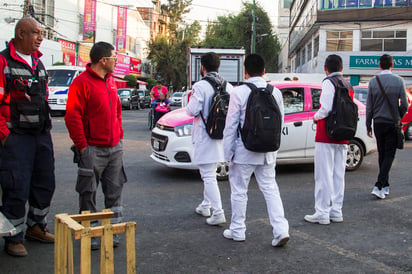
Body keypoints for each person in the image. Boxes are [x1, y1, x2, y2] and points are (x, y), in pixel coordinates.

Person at [0, 17, 55, 257]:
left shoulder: (38, 63)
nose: (40, 38)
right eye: (35, 33)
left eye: (41, 33)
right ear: (20, 34)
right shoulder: (3, 61)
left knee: (45, 182)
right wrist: (4, 135)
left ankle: (36, 226)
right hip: (16, 137)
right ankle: (12, 237)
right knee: (16, 186)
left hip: (40, 135)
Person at [65, 41, 127, 249]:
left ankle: (113, 233)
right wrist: (82, 146)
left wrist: (119, 134)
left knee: (114, 190)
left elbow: (117, 109)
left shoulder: (111, 81)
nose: (116, 61)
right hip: (92, 149)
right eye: (114, 58)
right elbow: (72, 116)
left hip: (114, 148)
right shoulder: (81, 83)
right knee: (88, 193)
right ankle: (89, 234)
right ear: (103, 60)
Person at [222, 54, 289, 247]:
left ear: (245, 70)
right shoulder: (275, 92)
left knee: (239, 191)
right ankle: (281, 229)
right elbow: (280, 121)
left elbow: (231, 125)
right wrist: (274, 150)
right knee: (270, 189)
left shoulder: (239, 92)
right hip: (268, 150)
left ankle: (237, 230)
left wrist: (227, 155)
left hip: (244, 150)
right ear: (264, 71)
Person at [304, 54, 352, 225]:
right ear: (341, 68)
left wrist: (316, 117)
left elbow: (325, 108)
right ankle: (336, 211)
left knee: (323, 174)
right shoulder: (347, 84)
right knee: (339, 174)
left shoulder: (328, 83)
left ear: (326, 68)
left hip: (327, 134)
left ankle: (322, 212)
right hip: (344, 134)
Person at [186, 52, 232, 226]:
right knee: (209, 172)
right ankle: (206, 205)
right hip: (221, 135)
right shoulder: (228, 86)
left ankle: (218, 212)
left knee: (207, 175)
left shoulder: (200, 86)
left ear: (202, 67)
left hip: (205, 135)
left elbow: (191, 110)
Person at [366, 54, 408, 199]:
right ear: (392, 65)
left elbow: (369, 106)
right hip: (392, 122)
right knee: (389, 154)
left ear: (379, 65)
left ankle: (385, 186)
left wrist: (368, 124)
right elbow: (405, 104)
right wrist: (398, 116)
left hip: (378, 122)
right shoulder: (399, 81)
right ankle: (379, 185)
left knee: (382, 154)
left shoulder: (373, 81)